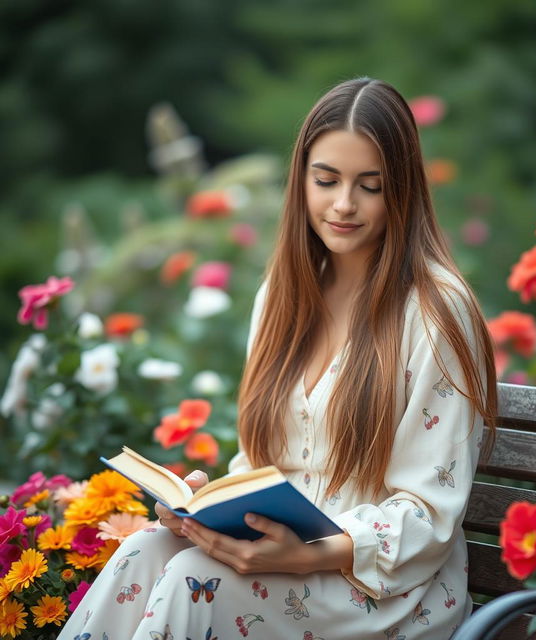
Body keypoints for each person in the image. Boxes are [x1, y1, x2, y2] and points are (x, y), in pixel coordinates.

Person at [58, 77, 497, 640]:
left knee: (196, 578)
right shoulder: (284, 295)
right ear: (302, 180)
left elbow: (429, 513)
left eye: (370, 185)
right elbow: (264, 463)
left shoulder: (435, 311)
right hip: (281, 563)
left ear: (402, 191)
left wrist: (307, 555)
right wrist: (203, 505)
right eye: (327, 180)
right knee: (146, 548)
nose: (343, 204)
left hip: (385, 590)